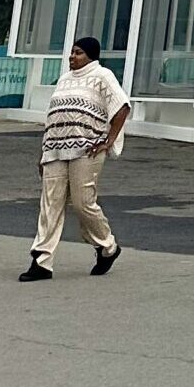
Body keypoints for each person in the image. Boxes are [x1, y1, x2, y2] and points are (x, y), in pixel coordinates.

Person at [19, 37, 130, 282]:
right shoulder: (64, 79)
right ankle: (41, 262)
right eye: (71, 52)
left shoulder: (102, 76)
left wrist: (108, 141)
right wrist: (43, 152)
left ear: (90, 55)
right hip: (55, 149)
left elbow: (122, 107)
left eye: (78, 53)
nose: (72, 57)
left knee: (83, 203)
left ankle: (107, 247)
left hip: (86, 150)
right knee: (51, 204)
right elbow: (54, 118)